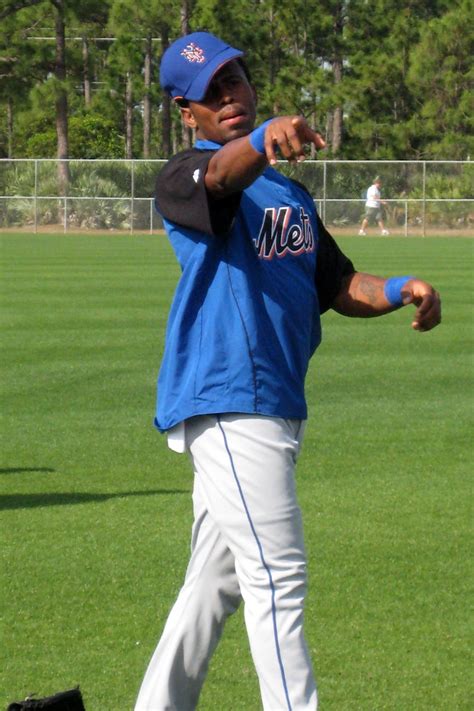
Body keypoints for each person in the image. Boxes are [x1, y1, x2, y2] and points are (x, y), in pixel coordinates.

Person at [135, 31, 441, 711]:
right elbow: (222, 177)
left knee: (212, 587)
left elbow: (337, 283)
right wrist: (265, 136)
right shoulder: (189, 174)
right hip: (229, 398)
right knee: (279, 577)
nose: (227, 97)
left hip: (271, 398)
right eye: (209, 92)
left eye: (234, 81)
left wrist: (401, 289)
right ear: (189, 112)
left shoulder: (288, 192)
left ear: (250, 84)